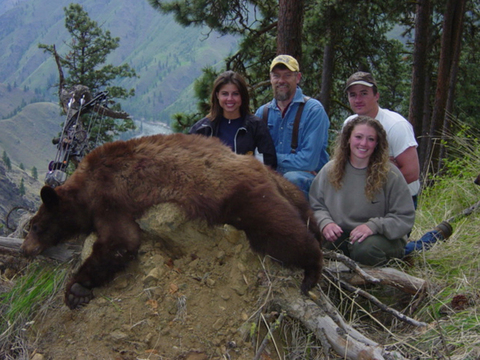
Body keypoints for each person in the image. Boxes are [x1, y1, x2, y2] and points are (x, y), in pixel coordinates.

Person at [309, 116, 415, 266]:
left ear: (377, 144)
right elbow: (316, 205)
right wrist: (325, 223)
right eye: (358, 137)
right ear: (348, 139)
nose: (364, 143)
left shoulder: (390, 174)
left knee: (365, 249)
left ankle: (380, 280)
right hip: (342, 234)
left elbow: (404, 217)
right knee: (316, 243)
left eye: (371, 139)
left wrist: (373, 226)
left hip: (379, 238)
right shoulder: (330, 170)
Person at [255, 55, 330, 198]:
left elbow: (309, 162)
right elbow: (255, 156)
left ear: (298, 77)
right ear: (270, 79)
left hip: (308, 183)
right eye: (276, 76)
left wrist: (270, 160)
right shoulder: (262, 113)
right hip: (273, 179)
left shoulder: (313, 110)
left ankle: (303, 221)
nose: (281, 81)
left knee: (292, 179)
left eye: (287, 75)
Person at [344, 71, 420, 206]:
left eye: (364, 93)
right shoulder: (349, 124)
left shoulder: (396, 125)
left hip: (397, 199)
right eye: (353, 95)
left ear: (376, 96)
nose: (358, 100)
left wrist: (373, 189)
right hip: (360, 197)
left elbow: (411, 172)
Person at [190, 70, 277, 168]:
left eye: (235, 94)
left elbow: (268, 165)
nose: (230, 99)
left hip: (248, 181)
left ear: (242, 96)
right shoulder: (203, 129)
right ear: (217, 95)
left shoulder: (256, 127)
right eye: (225, 94)